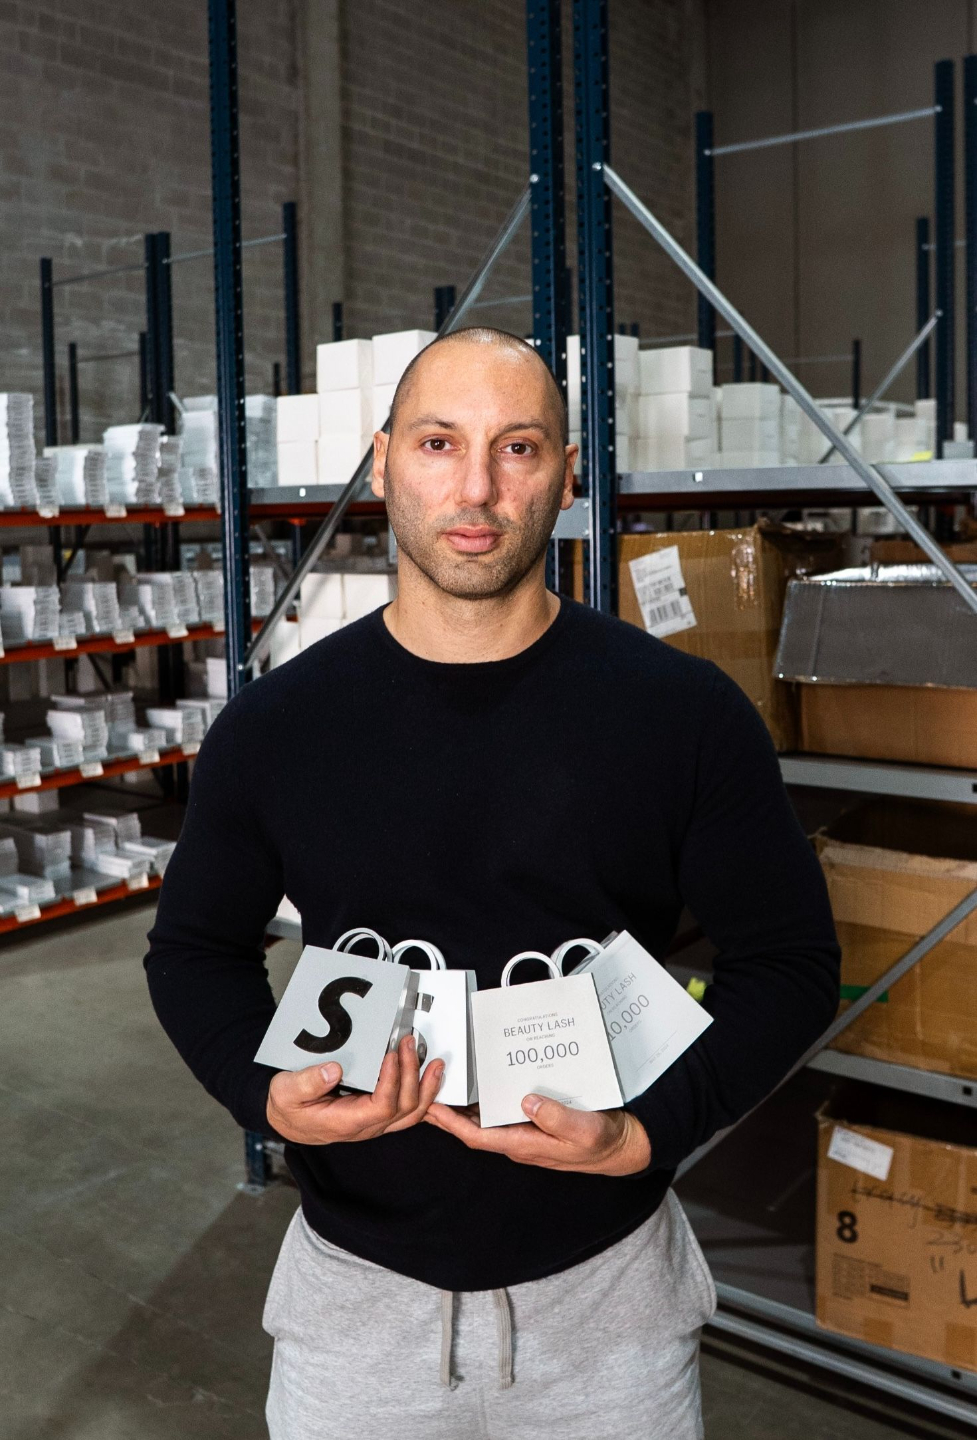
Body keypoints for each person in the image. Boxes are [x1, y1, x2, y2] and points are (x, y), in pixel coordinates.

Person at [144, 326, 840, 1440]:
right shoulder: (276, 728)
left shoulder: (682, 715)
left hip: (608, 1306)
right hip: (354, 1309)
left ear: (566, 476)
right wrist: (261, 1094)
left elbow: (789, 964)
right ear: (382, 464)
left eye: (518, 447)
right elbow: (194, 950)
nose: (475, 489)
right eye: (438, 443)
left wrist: (648, 1132)